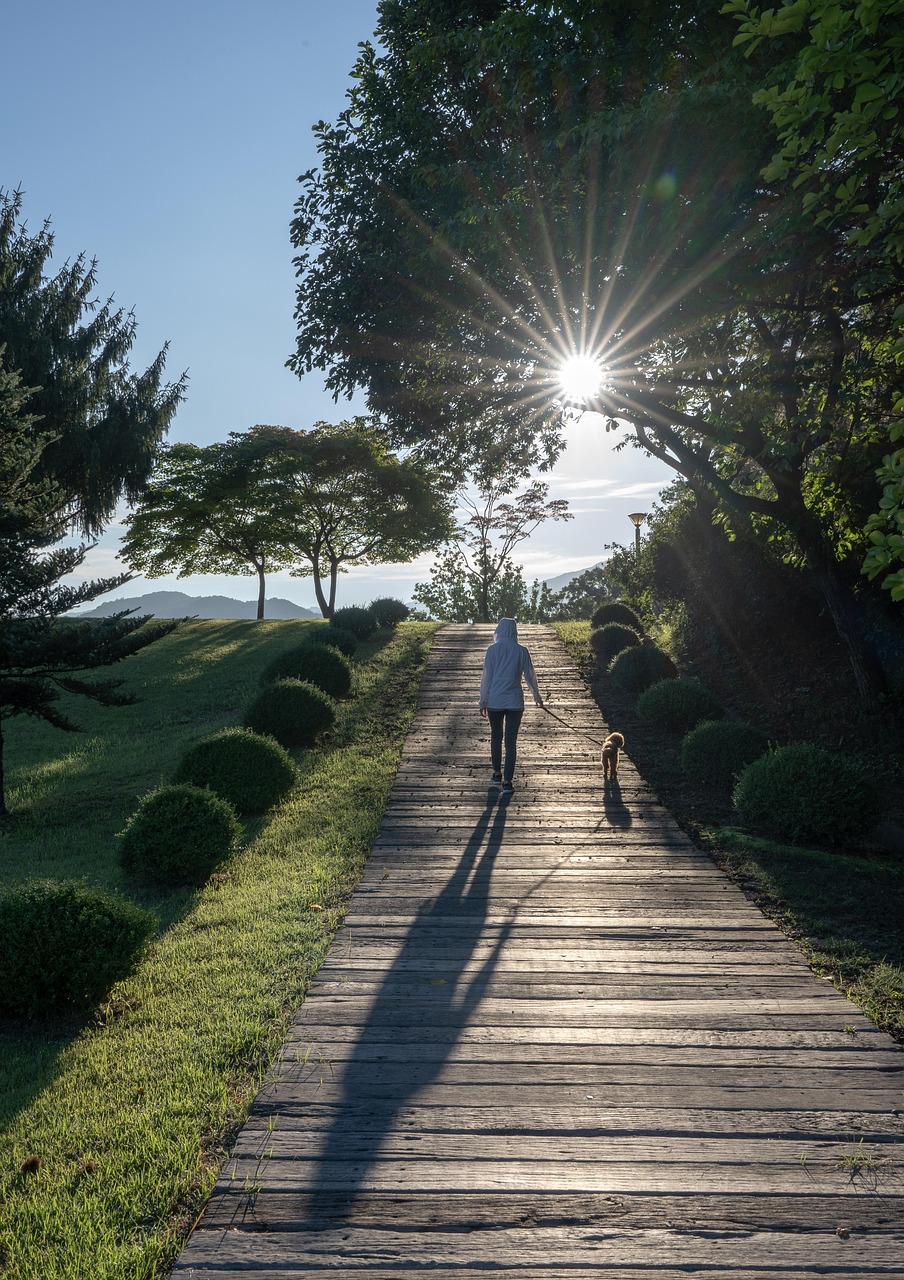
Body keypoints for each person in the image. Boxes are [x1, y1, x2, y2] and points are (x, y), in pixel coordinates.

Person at [478, 618, 543, 793]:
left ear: (499, 630)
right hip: (515, 701)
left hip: (495, 701)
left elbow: (486, 678)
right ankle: (507, 781)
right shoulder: (522, 651)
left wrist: (483, 701)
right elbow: (530, 675)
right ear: (514, 631)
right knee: (510, 741)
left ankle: (496, 774)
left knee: (496, 737)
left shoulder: (492, 651)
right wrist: (537, 697)